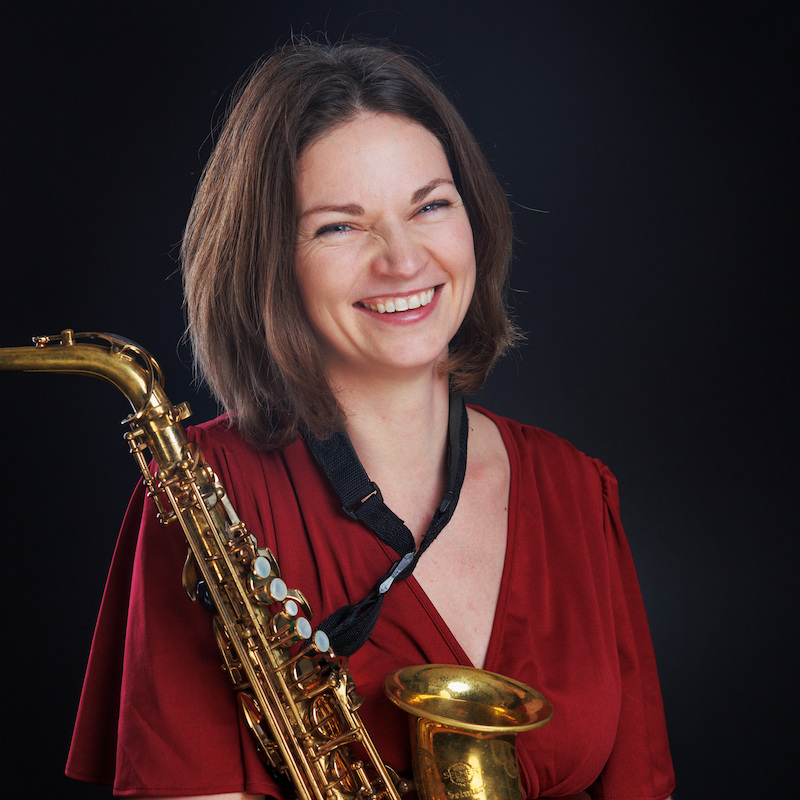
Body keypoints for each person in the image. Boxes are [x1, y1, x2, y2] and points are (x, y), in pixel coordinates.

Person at [65, 40, 675, 800]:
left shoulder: (576, 489)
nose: (403, 259)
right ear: (268, 262)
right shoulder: (203, 495)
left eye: (431, 206)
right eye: (340, 227)